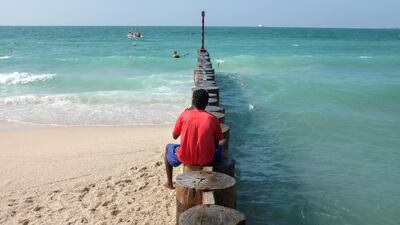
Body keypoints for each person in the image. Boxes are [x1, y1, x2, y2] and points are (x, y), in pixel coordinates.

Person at [164, 89, 226, 189]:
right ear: (206, 103)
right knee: (222, 143)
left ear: (192, 101)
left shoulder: (184, 115)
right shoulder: (213, 119)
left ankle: (170, 184)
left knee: (168, 147)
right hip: (207, 159)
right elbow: (215, 143)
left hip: (185, 157)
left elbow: (174, 136)